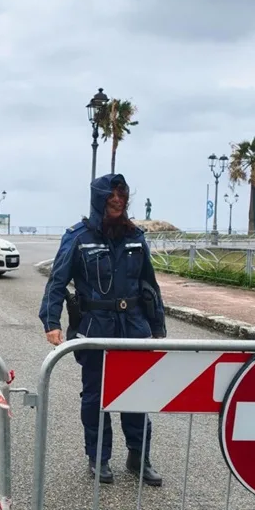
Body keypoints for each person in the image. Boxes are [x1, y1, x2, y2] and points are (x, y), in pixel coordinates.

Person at [38, 173, 167, 486]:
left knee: (136, 394)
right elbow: (57, 281)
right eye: (111, 201)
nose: (117, 205)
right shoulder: (78, 237)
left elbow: (148, 282)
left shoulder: (136, 236)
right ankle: (99, 457)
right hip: (95, 328)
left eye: (121, 201)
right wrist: (51, 321)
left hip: (134, 328)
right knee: (96, 397)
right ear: (99, 202)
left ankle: (139, 455)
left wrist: (157, 325)